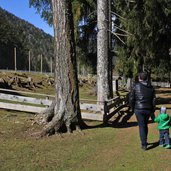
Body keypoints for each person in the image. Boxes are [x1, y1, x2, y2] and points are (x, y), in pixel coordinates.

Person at [129, 71, 156, 150]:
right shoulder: (151, 87)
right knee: (145, 125)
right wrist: (152, 109)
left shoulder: (135, 86)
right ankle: (145, 141)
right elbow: (154, 100)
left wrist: (132, 108)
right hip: (148, 109)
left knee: (141, 126)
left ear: (139, 78)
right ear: (147, 78)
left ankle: (144, 144)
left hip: (138, 109)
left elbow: (131, 98)